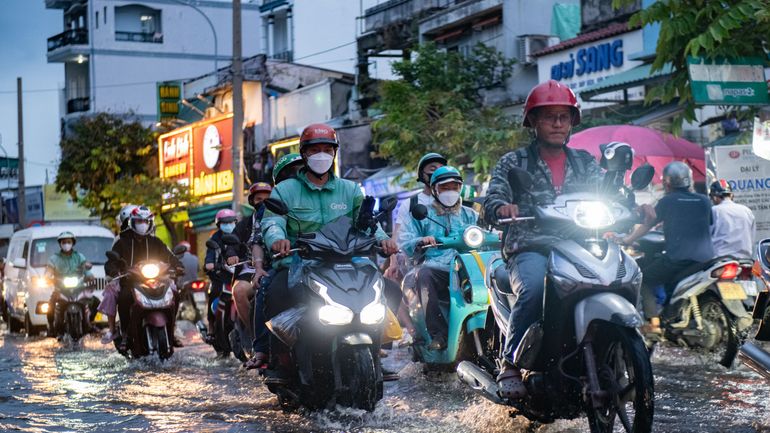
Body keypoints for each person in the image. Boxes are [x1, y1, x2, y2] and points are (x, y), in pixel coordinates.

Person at [483, 80, 603, 399]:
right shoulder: (513, 162)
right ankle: (510, 363)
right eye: (549, 117)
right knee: (536, 287)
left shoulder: (585, 161)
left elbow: (607, 191)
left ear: (572, 123)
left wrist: (634, 204)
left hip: (579, 244)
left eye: (564, 117)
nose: (557, 124)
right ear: (533, 122)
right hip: (530, 246)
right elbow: (494, 197)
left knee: (620, 274)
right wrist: (500, 206)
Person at [262, 123, 398, 379]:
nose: (322, 155)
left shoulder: (350, 189)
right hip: (301, 263)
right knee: (275, 292)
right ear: (304, 154)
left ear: (335, 153)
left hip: (349, 261)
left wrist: (384, 240)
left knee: (389, 290)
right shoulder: (285, 190)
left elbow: (368, 223)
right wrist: (278, 240)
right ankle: (280, 361)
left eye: (327, 149)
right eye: (315, 150)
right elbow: (272, 222)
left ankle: (377, 350)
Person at [616, 161, 715, 334]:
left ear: (667, 183)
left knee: (644, 279)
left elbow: (648, 224)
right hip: (706, 259)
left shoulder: (667, 201)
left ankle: (653, 324)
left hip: (678, 259)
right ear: (689, 180)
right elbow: (708, 225)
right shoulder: (705, 201)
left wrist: (627, 239)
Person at [397, 166, 478, 350]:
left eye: (454, 187)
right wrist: (420, 240)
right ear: (434, 190)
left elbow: (484, 235)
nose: (450, 192)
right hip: (435, 268)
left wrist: (496, 235)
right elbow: (405, 240)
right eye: (445, 188)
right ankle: (438, 334)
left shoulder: (471, 214)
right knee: (424, 275)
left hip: (466, 267)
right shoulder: (421, 215)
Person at [105, 206, 184, 349]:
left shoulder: (156, 242)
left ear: (150, 223)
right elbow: (111, 262)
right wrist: (115, 271)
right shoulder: (122, 241)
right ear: (132, 222)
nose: (143, 224)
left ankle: (171, 330)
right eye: (139, 221)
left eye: (146, 221)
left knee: (175, 295)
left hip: (157, 280)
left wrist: (178, 266)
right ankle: (125, 334)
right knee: (124, 298)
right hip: (131, 282)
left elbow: (170, 256)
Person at [384, 152, 447, 282]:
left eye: (440, 169)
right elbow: (397, 238)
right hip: (422, 263)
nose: (436, 173)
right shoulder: (411, 204)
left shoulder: (453, 201)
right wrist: (393, 263)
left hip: (453, 261)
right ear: (421, 174)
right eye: (432, 169)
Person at [46, 231, 96, 336]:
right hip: (61, 289)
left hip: (79, 288)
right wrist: (48, 277)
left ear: (72, 243)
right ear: (60, 244)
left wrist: (90, 275)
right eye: (64, 242)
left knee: (96, 302)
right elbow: (49, 271)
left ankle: (90, 322)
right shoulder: (54, 258)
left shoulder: (79, 256)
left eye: (68, 242)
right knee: (50, 306)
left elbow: (86, 269)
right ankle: (51, 327)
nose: (66, 244)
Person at [709, 179, 755, 259]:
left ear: (715, 197)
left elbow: (707, 237)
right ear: (731, 195)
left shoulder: (714, 211)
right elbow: (752, 238)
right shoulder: (747, 211)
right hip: (745, 260)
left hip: (720, 262)